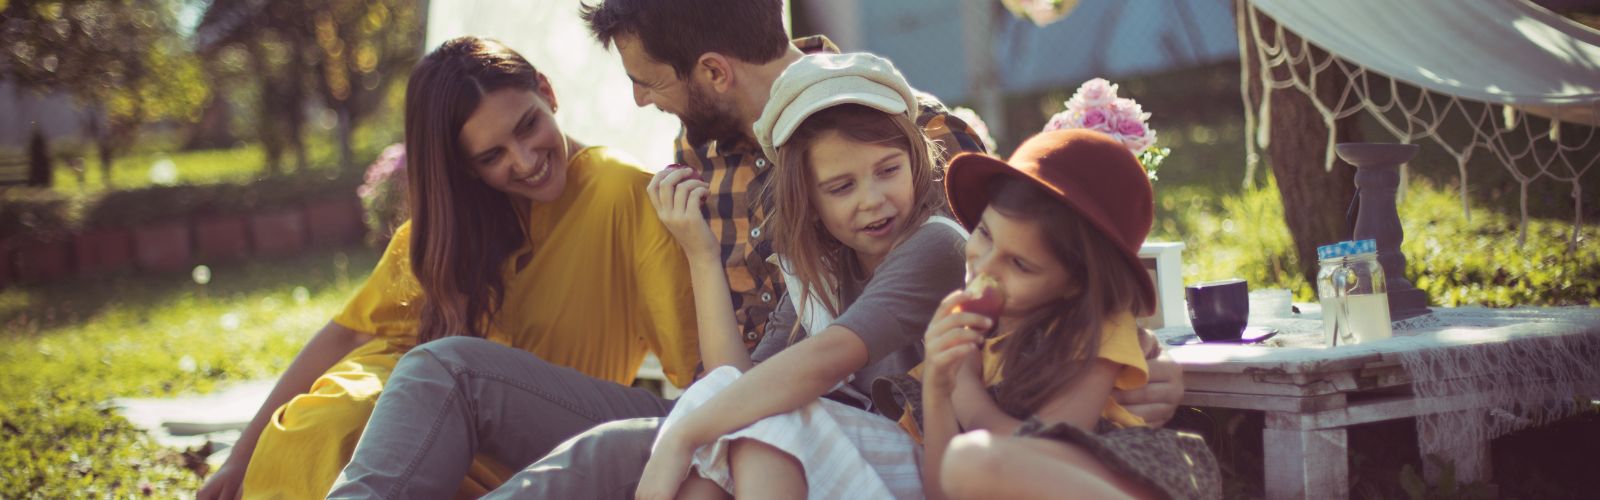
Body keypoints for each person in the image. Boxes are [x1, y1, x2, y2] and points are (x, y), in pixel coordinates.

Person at [197, 36, 701, 500]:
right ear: (466, 167)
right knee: (333, 425)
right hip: (421, 420)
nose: (525, 161)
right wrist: (239, 460)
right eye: (492, 155)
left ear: (546, 92)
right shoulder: (450, 228)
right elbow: (346, 337)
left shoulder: (621, 191)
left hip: (532, 440)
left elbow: (697, 366)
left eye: (527, 125)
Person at [636, 52, 962, 500]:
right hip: (880, 463)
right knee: (747, 409)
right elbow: (736, 382)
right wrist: (701, 254)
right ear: (807, 200)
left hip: (948, 463)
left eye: (888, 170)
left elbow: (828, 357)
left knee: (770, 419)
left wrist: (682, 436)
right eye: (841, 187)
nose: (872, 199)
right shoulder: (822, 269)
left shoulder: (937, 245)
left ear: (914, 161)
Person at [918, 129, 1220, 499]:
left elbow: (1039, 450)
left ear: (1075, 284)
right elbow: (942, 490)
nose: (986, 267)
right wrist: (936, 384)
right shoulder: (976, 337)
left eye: (1020, 264)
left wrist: (962, 388)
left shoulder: (1096, 328)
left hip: (1129, 478)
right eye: (985, 233)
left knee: (969, 458)